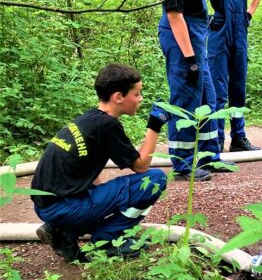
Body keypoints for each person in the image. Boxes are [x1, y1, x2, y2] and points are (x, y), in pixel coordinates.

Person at [31, 64, 168, 262]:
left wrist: (102, 201)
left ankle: (62, 231)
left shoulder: (88, 119)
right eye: (137, 94)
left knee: (108, 197)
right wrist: (155, 124)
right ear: (118, 97)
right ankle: (107, 240)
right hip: (62, 207)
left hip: (47, 206)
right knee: (155, 180)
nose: (141, 99)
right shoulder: (107, 125)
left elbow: (87, 166)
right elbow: (141, 166)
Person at [154, 0, 226, 181]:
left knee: (207, 96)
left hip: (198, 36)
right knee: (186, 99)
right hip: (181, 37)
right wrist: (189, 58)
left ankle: (209, 156)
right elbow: (174, 15)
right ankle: (183, 165)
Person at [205, 0, 262, 152]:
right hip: (219, 35)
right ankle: (216, 140)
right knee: (218, 89)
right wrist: (207, 17)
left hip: (239, 35)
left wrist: (248, 15)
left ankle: (238, 138)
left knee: (238, 88)